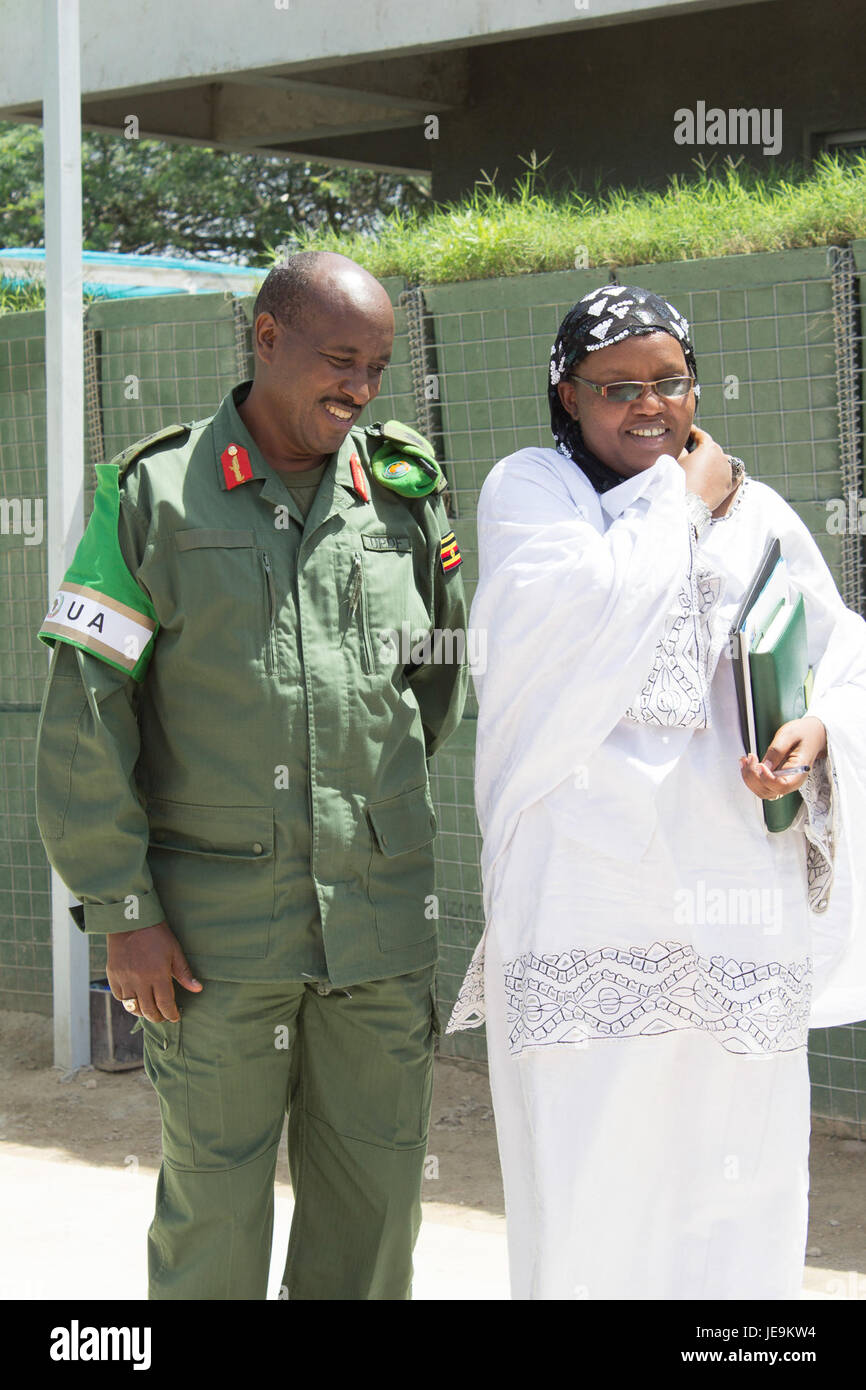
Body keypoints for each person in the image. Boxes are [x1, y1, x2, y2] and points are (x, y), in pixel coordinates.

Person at [35, 250, 468, 1300]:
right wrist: (123, 908)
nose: (358, 389)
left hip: (373, 927)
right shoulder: (155, 493)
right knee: (214, 1211)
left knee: (372, 1211)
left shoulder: (402, 498)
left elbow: (432, 689)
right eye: (336, 360)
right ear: (265, 338)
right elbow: (87, 715)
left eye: (374, 366)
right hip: (210, 940)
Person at [447, 284, 866, 1300]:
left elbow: (838, 648)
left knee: (737, 1158)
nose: (648, 406)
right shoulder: (529, 489)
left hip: (733, 886)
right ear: (565, 391)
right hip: (585, 886)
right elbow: (579, 607)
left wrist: (818, 733)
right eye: (616, 386)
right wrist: (686, 498)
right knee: (593, 1152)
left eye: (668, 382)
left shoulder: (752, 508)